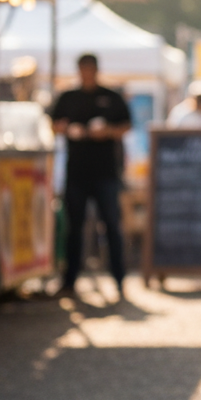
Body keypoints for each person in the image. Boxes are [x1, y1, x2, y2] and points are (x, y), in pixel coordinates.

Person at [50, 53, 132, 299]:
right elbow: (54, 124)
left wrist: (106, 131)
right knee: (74, 229)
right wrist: (66, 130)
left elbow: (126, 126)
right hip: (77, 173)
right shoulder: (68, 97)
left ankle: (119, 280)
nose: (86, 73)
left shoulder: (111, 97)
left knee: (111, 227)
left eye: (90, 69)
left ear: (95, 70)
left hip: (105, 173)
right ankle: (69, 281)